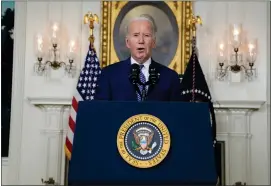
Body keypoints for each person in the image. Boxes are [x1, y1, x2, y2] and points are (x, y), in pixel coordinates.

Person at [94, 14, 181, 101]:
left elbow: (176, 113)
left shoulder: (170, 77)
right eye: (136, 35)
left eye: (146, 35)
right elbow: (101, 111)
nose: (141, 41)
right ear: (128, 42)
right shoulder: (109, 75)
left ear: (153, 42)